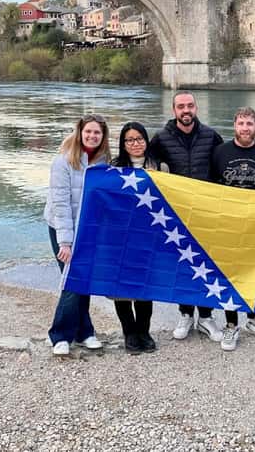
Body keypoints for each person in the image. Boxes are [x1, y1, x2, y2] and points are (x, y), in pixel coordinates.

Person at [150, 91, 224, 342]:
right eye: (181, 106)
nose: (186, 110)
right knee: (182, 264)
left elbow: (223, 169)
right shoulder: (161, 138)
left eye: (190, 105)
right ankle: (185, 314)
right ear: (174, 110)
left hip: (206, 211)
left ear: (196, 108)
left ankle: (206, 316)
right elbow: (146, 165)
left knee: (207, 263)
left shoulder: (211, 136)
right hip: (177, 212)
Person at [210, 107, 255, 351]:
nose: (245, 128)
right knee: (229, 274)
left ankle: (253, 318)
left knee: (253, 273)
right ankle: (231, 325)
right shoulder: (219, 152)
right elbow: (208, 188)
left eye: (249, 123)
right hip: (227, 225)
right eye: (241, 123)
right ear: (234, 125)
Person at [44, 114, 110, 356]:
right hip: (62, 226)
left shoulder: (103, 162)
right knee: (72, 280)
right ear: (80, 132)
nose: (92, 136)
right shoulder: (63, 161)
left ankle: (84, 332)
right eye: (88, 131)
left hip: (87, 229)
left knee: (84, 280)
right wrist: (65, 242)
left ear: (103, 136)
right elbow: (60, 205)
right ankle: (60, 335)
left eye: (97, 132)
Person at [111, 122, 168, 355]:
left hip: (149, 235)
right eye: (130, 140)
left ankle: (144, 331)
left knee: (145, 285)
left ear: (146, 140)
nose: (135, 143)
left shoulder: (160, 167)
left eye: (139, 139)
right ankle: (129, 333)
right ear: (123, 144)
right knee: (121, 288)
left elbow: (169, 201)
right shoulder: (114, 168)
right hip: (122, 237)